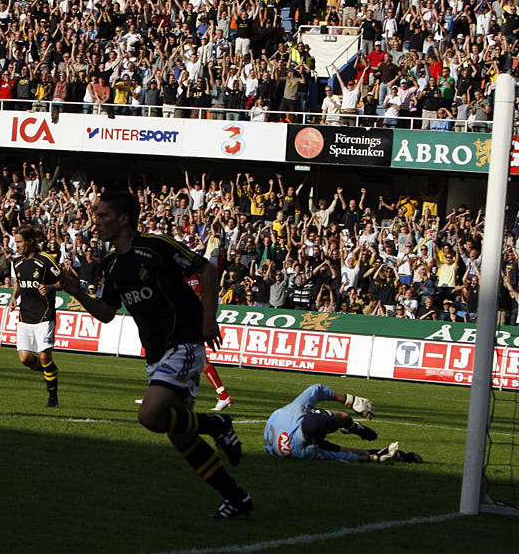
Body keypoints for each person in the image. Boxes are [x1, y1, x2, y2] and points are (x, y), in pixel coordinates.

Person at [61, 190, 252, 519]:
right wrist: (78, 293)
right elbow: (107, 313)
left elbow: (206, 270)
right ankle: (236, 497)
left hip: (184, 339)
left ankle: (218, 423)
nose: (97, 221)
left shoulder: (157, 246)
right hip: (157, 353)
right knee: (179, 433)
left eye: (103, 215)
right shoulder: (110, 265)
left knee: (149, 416)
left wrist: (209, 319)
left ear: (123, 219)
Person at [264, 383, 422, 463]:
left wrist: (349, 400)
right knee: (342, 427)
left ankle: (352, 427)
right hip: (288, 435)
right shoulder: (305, 450)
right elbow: (336, 454)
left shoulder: (295, 410)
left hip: (281, 425)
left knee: (343, 417)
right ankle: (384, 453)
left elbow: (316, 390)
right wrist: (372, 459)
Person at [8, 225, 62, 408]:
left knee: (45, 356)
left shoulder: (45, 260)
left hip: (44, 315)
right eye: (16, 242)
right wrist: (14, 297)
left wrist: (51, 287)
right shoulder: (17, 262)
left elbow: (64, 280)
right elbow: (18, 281)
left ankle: (52, 397)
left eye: (20, 242)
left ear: (31, 241)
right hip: (25, 315)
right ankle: (50, 373)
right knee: (24, 358)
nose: (17, 246)